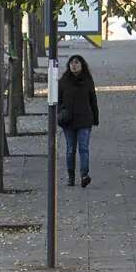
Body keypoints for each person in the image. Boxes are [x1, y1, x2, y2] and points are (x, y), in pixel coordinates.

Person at [56, 54, 99, 187]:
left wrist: (95, 118)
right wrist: (60, 114)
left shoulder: (87, 80)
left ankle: (84, 175)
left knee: (84, 148)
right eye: (72, 63)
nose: (74, 65)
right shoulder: (63, 81)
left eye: (77, 63)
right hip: (68, 121)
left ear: (82, 65)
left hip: (84, 120)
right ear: (69, 66)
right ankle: (71, 176)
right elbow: (58, 101)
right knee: (70, 149)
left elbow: (93, 100)